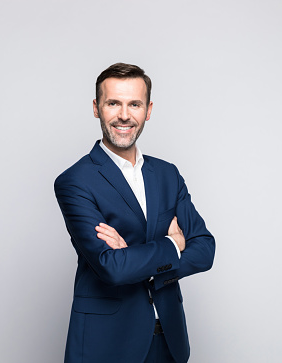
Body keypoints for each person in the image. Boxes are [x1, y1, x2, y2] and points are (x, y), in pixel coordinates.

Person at [54, 63, 215, 363]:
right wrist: (172, 246)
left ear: (148, 110)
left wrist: (135, 260)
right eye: (113, 103)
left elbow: (205, 249)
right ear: (96, 108)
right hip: (107, 344)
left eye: (134, 104)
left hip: (169, 341)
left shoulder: (168, 175)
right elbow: (111, 268)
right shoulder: (75, 181)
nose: (124, 115)